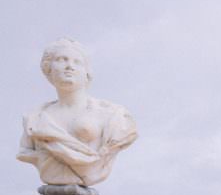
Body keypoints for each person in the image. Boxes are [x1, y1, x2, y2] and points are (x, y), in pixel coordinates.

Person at [17, 37, 138, 187]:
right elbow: (26, 152)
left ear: (86, 72)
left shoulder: (113, 115)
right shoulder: (35, 119)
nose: (69, 66)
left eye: (77, 62)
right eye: (61, 60)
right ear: (48, 69)